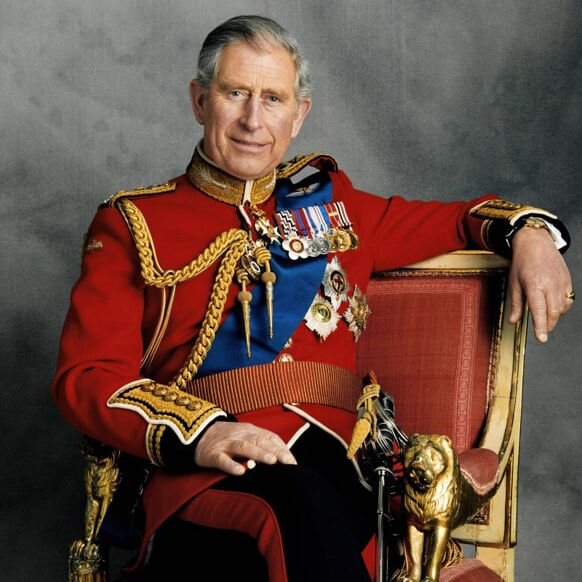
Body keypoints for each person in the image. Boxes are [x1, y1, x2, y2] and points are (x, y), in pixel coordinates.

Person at [53, 15, 574, 582]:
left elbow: (455, 222)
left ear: (298, 115)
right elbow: (87, 377)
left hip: (341, 462)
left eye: (273, 99)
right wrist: (203, 434)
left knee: (319, 490)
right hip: (206, 468)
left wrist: (528, 233)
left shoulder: (336, 205)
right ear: (200, 101)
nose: (254, 120)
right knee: (298, 500)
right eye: (236, 94)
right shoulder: (134, 222)